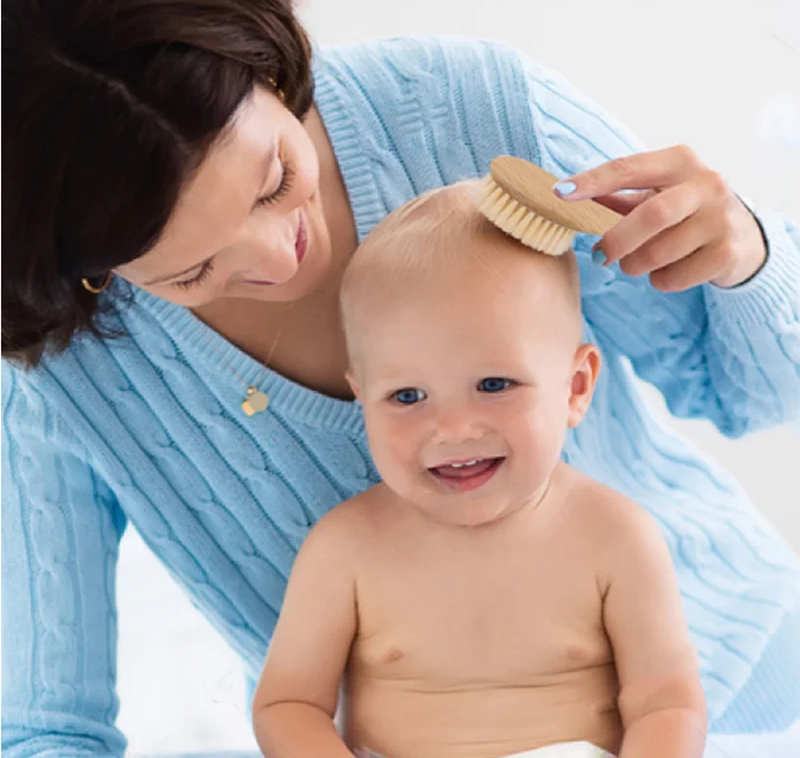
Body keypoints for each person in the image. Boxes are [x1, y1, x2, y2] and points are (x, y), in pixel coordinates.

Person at [2, 0, 798, 754]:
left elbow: (755, 397)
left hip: (751, 687)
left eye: (273, 180)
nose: (279, 261)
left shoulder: (472, 114)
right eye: (191, 273)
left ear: (264, 63)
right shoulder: (61, 373)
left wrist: (744, 255)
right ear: (92, 272)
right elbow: (43, 725)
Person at [251, 182, 708, 758]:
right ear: (361, 398)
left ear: (575, 388)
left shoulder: (615, 537)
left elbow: (667, 702)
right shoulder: (346, 548)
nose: (453, 428)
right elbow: (288, 705)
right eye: (407, 396)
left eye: (494, 385)